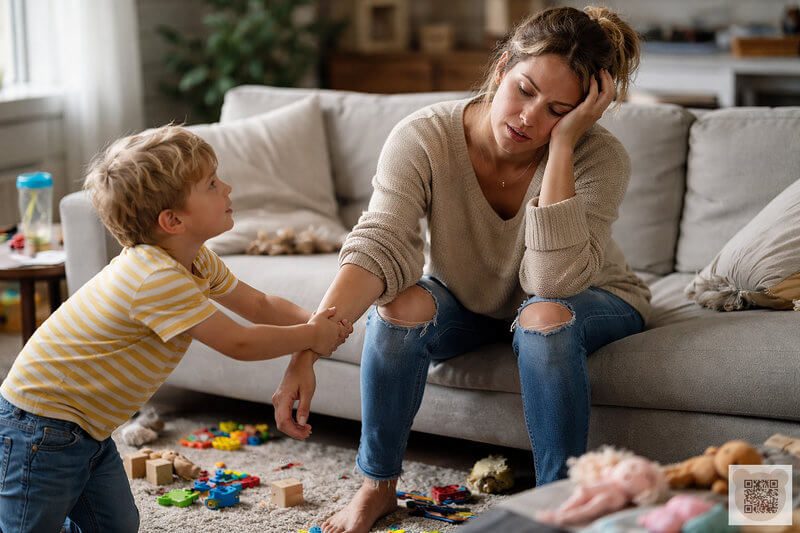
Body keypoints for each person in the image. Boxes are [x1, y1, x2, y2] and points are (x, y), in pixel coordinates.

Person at [272, 6, 651, 533]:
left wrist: (562, 148)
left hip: (589, 297)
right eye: (523, 90)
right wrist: (307, 349)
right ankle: (376, 487)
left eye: (558, 111)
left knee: (543, 316)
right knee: (400, 304)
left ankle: (557, 508)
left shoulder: (598, 157)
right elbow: (380, 244)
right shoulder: (425, 137)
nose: (529, 119)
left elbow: (552, 284)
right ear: (501, 69)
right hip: (473, 300)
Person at [0, 125, 352, 532]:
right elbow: (237, 341)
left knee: (116, 525)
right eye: (212, 184)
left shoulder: (196, 260)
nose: (228, 187)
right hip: (41, 427)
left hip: (88, 429)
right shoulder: (154, 277)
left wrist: (317, 320)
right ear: (172, 220)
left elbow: (259, 305)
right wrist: (310, 337)